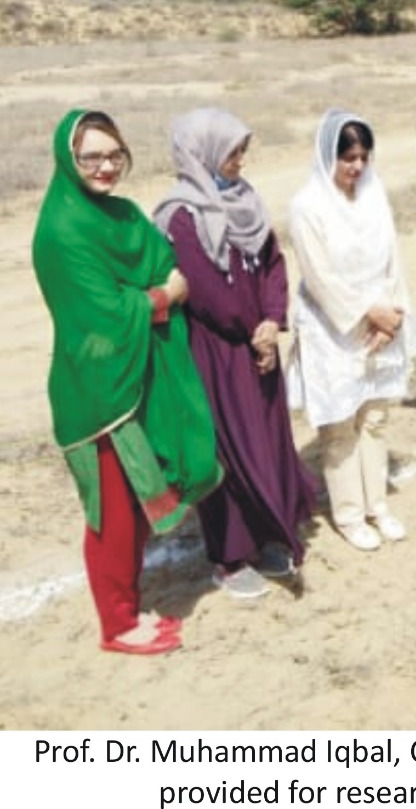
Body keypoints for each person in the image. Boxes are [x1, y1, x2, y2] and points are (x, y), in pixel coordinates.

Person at [32, 109, 222, 654]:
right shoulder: (61, 229)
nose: (105, 166)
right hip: (97, 391)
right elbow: (105, 314)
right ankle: (118, 626)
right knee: (112, 515)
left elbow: (159, 256)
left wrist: (150, 287)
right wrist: (164, 297)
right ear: (68, 161)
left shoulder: (119, 212)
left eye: (114, 155)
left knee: (138, 505)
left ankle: (128, 606)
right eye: (91, 156)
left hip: (133, 373)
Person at [154, 107, 316, 598]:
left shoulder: (246, 201)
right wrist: (254, 331)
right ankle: (229, 557)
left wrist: (271, 320)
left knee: (266, 441)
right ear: (201, 153)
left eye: (243, 149)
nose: (240, 160)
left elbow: (271, 263)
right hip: (216, 356)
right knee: (227, 450)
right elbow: (202, 290)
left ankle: (269, 535)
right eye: (231, 151)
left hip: (256, 344)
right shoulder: (179, 216)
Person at [289, 110, 416, 551]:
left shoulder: (373, 194)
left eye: (364, 157)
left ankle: (377, 505)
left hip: (382, 323)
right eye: (348, 157)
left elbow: (393, 260)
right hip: (336, 328)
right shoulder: (307, 206)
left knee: (376, 418)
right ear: (328, 154)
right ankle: (348, 514)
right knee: (341, 425)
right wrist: (369, 313)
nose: (357, 167)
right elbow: (319, 278)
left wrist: (395, 315)